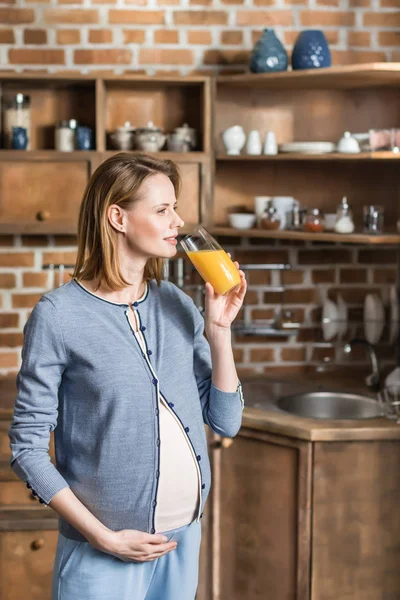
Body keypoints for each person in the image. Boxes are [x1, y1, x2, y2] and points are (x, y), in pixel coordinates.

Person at [8, 152, 247, 600]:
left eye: (175, 207)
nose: (177, 221)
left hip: (182, 539)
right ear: (117, 217)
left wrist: (219, 331)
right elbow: (26, 448)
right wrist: (103, 537)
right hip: (104, 551)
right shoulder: (59, 316)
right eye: (162, 210)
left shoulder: (175, 301)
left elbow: (226, 421)